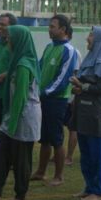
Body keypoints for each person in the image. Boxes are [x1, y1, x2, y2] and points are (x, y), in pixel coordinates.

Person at [0, 25, 41, 200]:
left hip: (23, 116)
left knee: (21, 157)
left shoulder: (24, 64)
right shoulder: (17, 61)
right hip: (13, 116)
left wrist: (13, 123)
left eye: (10, 37)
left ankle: (20, 197)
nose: (7, 39)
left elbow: (21, 97)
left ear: (19, 40)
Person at [31, 14, 77, 186]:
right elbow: (39, 68)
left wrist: (44, 93)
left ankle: (58, 176)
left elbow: (63, 79)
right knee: (44, 138)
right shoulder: (49, 47)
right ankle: (41, 172)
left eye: (52, 27)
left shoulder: (69, 51)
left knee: (56, 138)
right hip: (43, 98)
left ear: (63, 29)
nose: (49, 30)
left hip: (57, 100)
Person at [69, 26, 101, 200]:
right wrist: (77, 88)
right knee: (86, 152)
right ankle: (89, 186)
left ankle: (100, 190)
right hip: (83, 111)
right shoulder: (90, 58)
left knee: (96, 152)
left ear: (99, 40)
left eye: (91, 36)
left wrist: (82, 86)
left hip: (94, 113)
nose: (88, 38)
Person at [0, 13, 17, 135]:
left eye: (3, 25)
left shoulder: (15, 44)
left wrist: (2, 76)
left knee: (5, 131)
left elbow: (18, 66)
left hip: (7, 94)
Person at [64, 25, 82, 165]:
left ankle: (69, 156)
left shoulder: (74, 53)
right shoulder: (55, 50)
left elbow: (76, 76)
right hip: (60, 97)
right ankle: (58, 154)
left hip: (70, 97)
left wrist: (74, 95)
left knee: (72, 128)